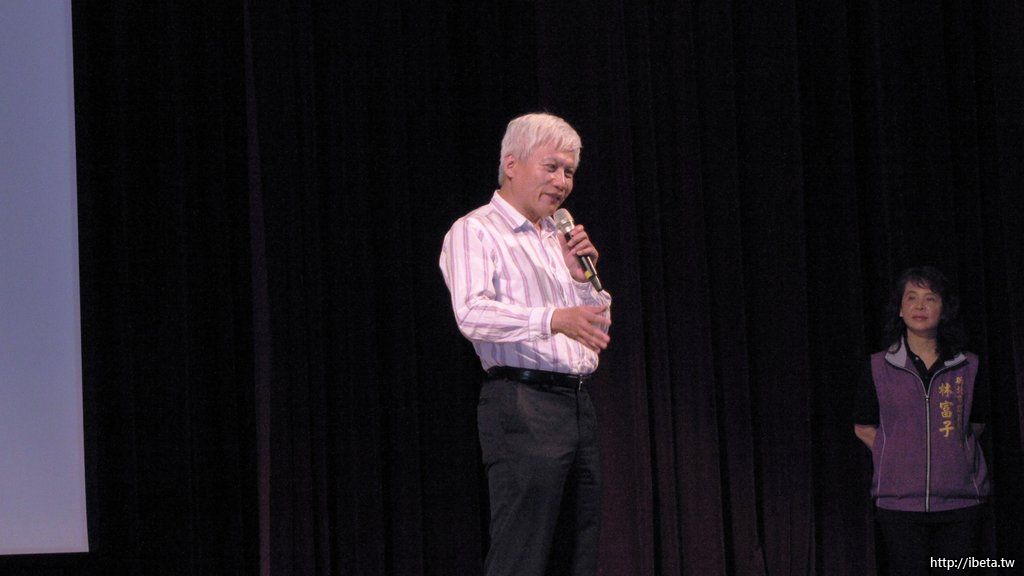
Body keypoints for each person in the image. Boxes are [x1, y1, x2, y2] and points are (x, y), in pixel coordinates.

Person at [439, 112, 612, 576]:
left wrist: (582, 284)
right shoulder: (476, 231)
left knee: (576, 556)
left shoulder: (559, 237)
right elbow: (472, 314)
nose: (562, 182)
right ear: (511, 164)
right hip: (522, 405)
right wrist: (553, 318)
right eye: (551, 167)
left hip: (577, 405)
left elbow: (597, 327)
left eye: (569, 171)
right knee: (522, 557)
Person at [853, 266, 990, 575]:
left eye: (930, 298)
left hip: (961, 504)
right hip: (899, 506)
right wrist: (894, 452)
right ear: (900, 309)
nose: (920, 306)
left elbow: (977, 423)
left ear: (944, 309)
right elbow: (862, 426)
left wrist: (953, 452)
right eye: (912, 298)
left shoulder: (968, 365)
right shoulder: (878, 366)